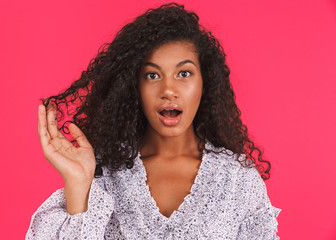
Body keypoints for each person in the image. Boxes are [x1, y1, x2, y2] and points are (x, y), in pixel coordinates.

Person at [26, 2, 281, 239]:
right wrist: (79, 184)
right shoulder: (102, 175)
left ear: (206, 83)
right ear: (134, 86)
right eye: (152, 75)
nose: (169, 89)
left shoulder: (238, 180)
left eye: (184, 73)